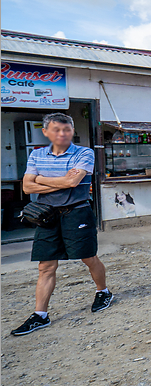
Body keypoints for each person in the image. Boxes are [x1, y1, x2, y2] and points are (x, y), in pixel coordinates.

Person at [11, 113, 111, 337]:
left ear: (72, 131)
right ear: (46, 132)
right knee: (45, 266)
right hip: (46, 215)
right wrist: (59, 182)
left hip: (77, 213)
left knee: (88, 257)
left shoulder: (84, 152)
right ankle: (40, 315)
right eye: (56, 130)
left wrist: (41, 179)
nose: (63, 134)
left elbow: (72, 182)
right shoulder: (36, 154)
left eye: (67, 130)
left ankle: (103, 291)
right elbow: (27, 187)